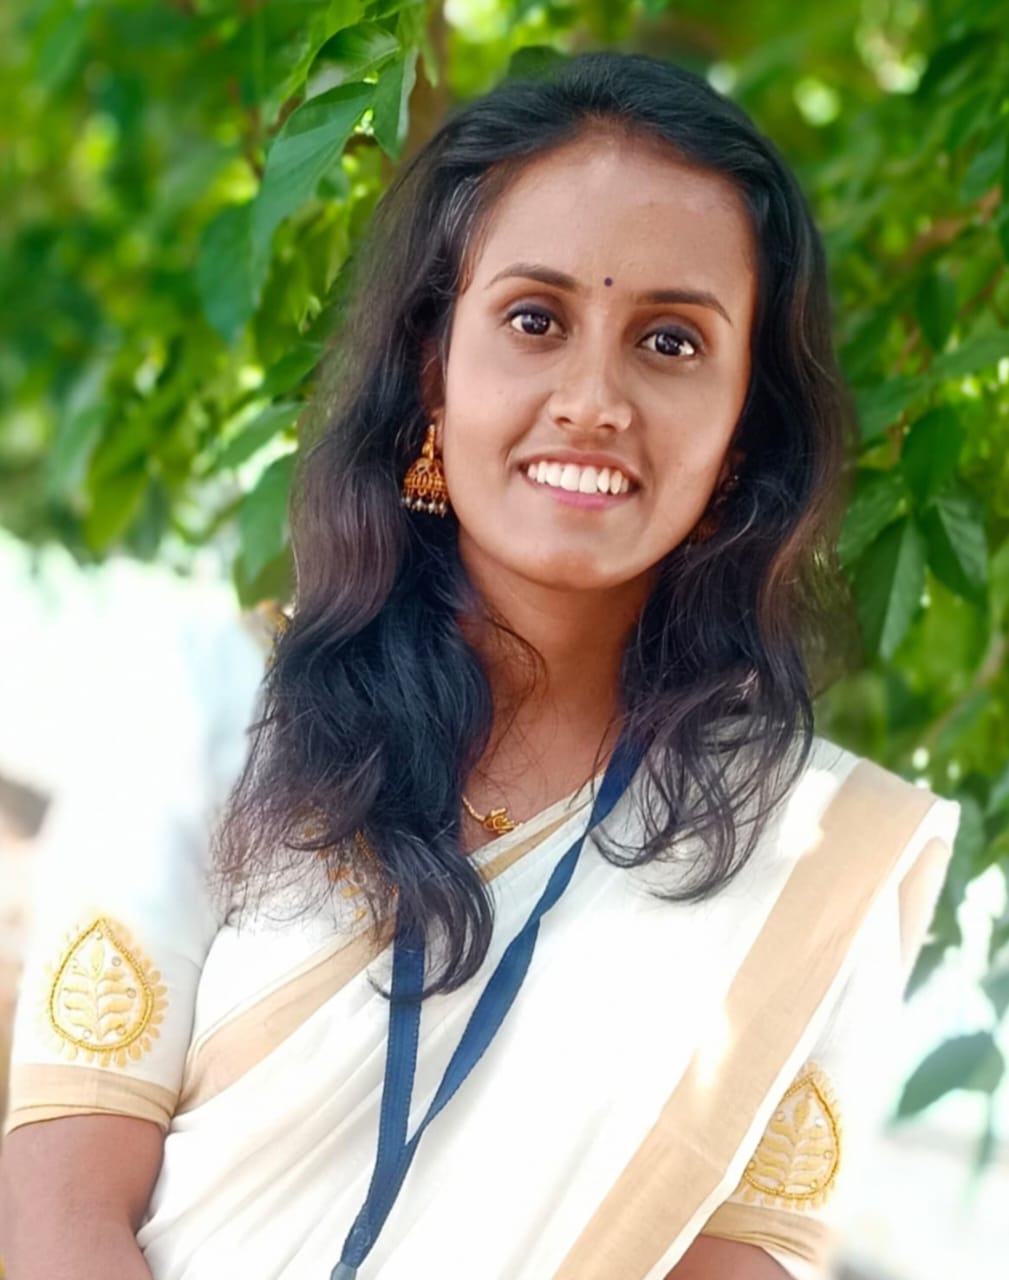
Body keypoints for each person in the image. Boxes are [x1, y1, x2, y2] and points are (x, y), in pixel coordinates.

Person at [0, 51, 959, 1280]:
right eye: (534, 320)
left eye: (670, 341)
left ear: (740, 433)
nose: (593, 399)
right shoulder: (210, 706)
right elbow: (61, 1209)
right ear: (431, 370)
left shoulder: (809, 860)